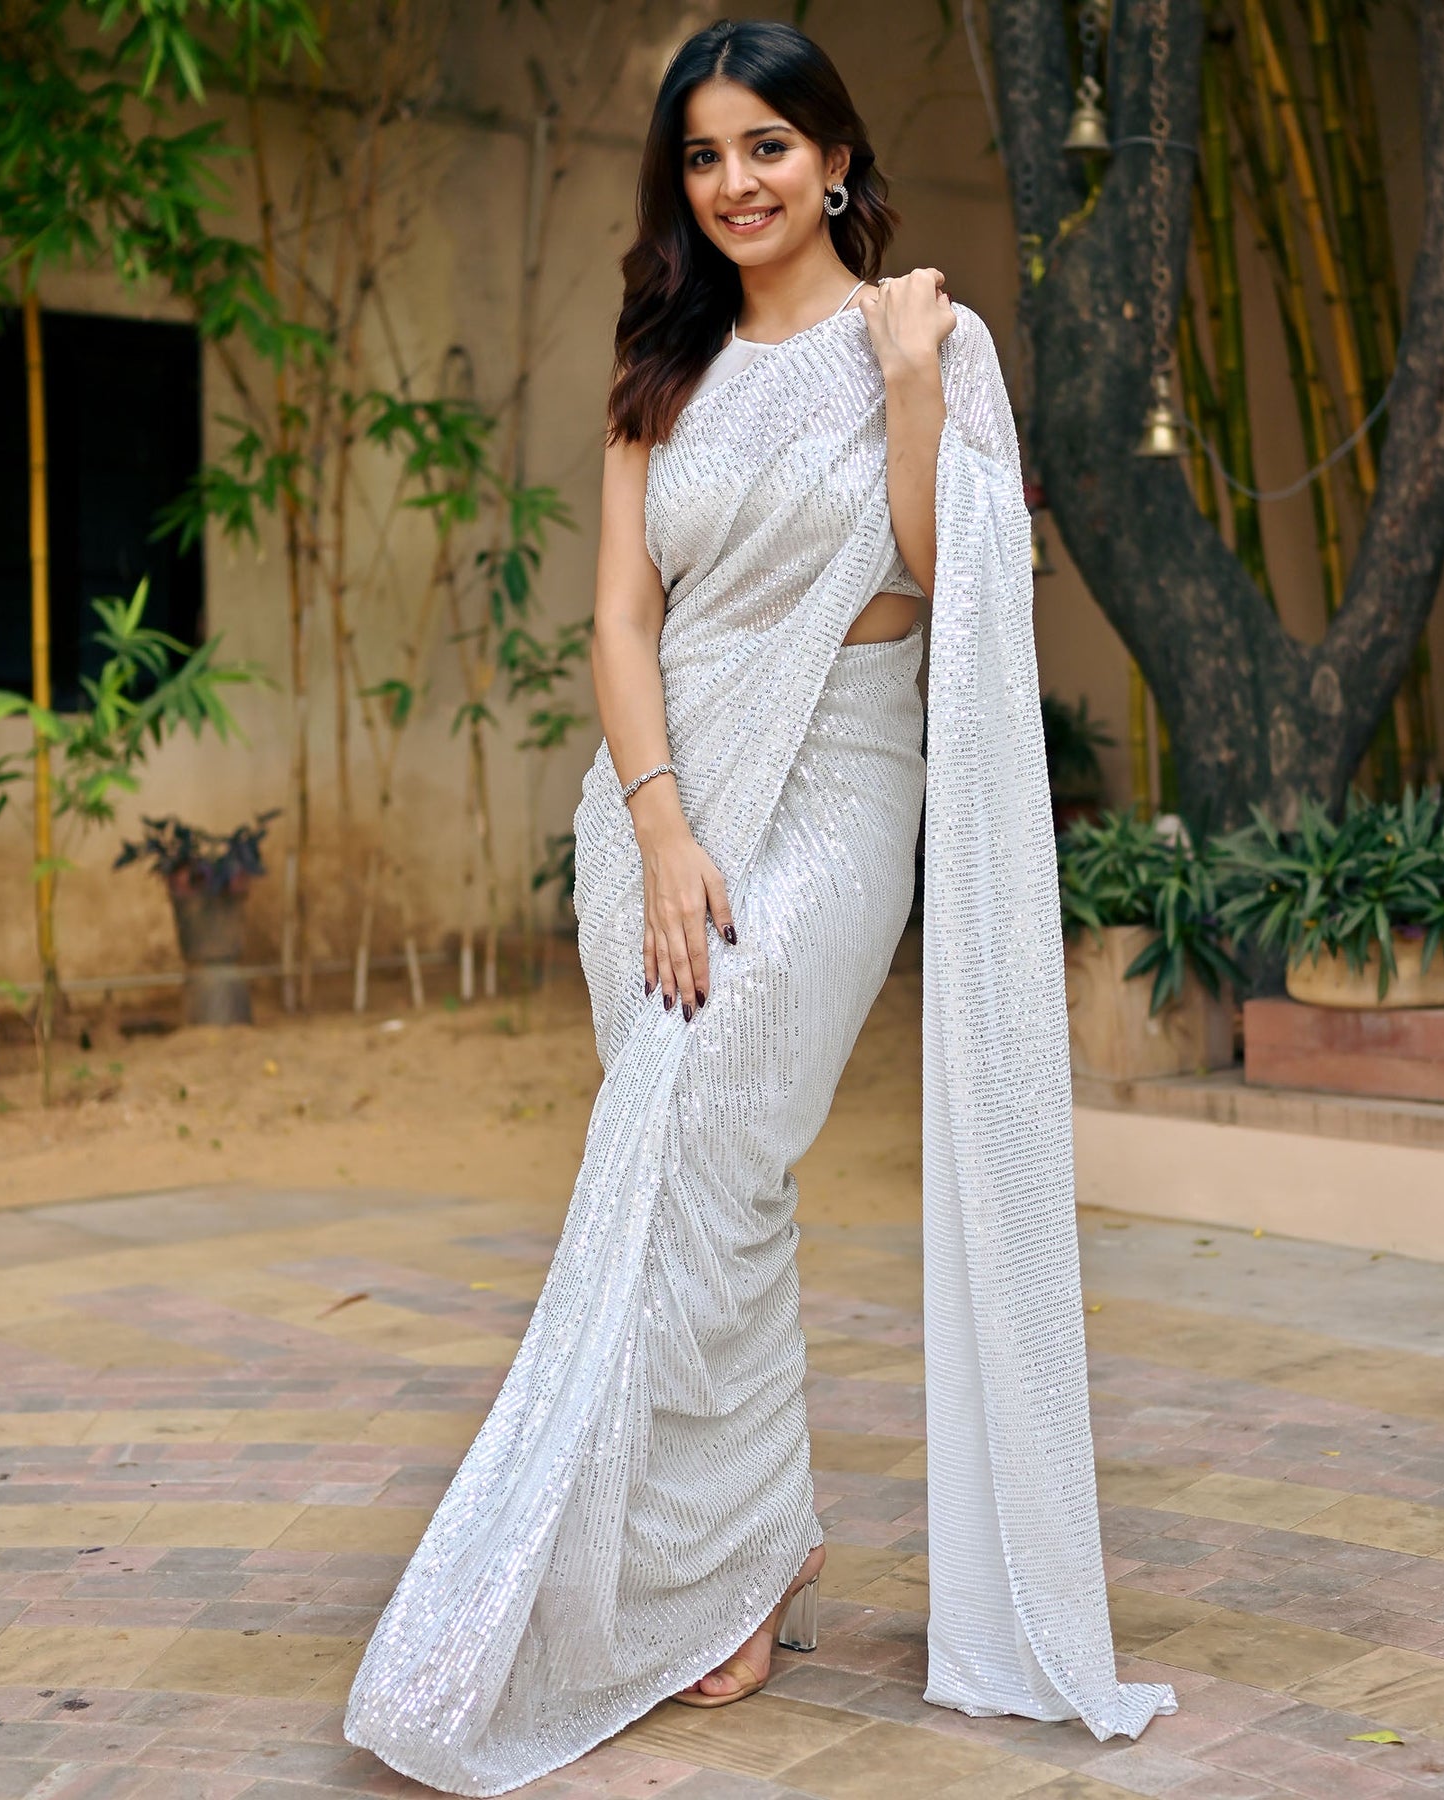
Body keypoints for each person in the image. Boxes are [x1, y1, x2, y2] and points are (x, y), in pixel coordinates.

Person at [343, 19, 1175, 1795]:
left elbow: (958, 596)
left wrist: (908, 391)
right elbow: (622, 621)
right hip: (658, 810)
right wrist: (656, 830)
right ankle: (756, 1544)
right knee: (711, 1184)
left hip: (843, 788)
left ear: (838, 158)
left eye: (770, 148)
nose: (738, 182)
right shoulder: (666, 365)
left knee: (704, 1130)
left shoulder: (928, 339)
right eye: (708, 155)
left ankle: (700, 1557)